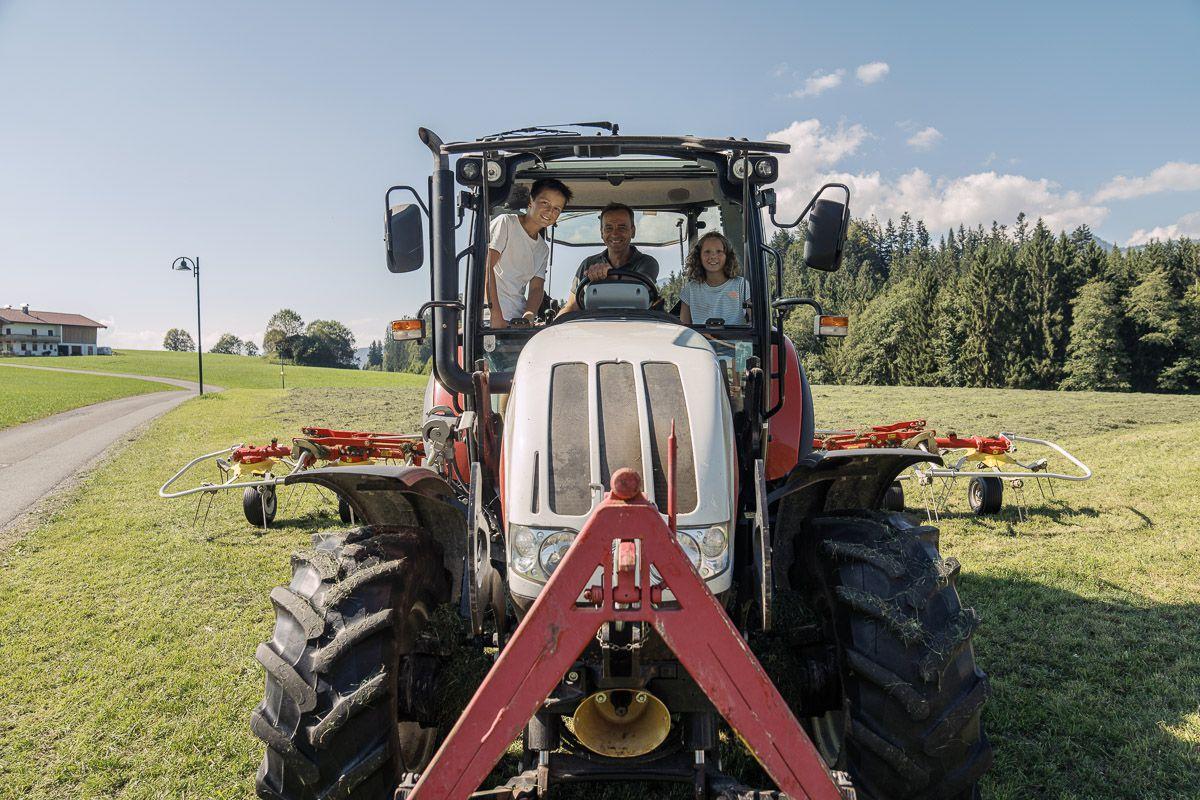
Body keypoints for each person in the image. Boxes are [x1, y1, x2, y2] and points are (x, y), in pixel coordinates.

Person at [487, 178, 572, 329]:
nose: (550, 211)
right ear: (531, 201)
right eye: (545, 203)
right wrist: (495, 315)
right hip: (488, 318)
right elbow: (485, 268)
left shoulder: (542, 249)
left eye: (557, 209)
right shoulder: (506, 223)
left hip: (516, 321)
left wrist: (529, 315)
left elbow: (536, 288)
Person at [559, 202, 659, 314]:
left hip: (637, 322)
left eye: (622, 228)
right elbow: (572, 306)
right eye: (608, 228)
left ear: (633, 231)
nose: (615, 234)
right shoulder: (588, 264)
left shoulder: (647, 263)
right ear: (602, 233)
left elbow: (633, 293)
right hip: (594, 323)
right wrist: (554, 324)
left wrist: (606, 275)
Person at [679, 232, 748, 325]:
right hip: (700, 335)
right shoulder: (690, 290)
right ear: (698, 256)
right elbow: (684, 327)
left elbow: (754, 321)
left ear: (727, 256)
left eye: (719, 251)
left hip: (736, 335)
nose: (713, 256)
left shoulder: (741, 285)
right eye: (707, 252)